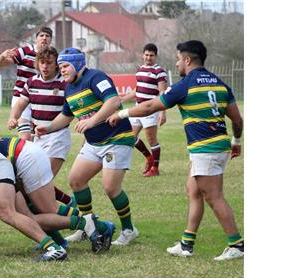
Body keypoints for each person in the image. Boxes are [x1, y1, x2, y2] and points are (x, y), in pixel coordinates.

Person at [107, 40, 244, 260]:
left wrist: (122, 114)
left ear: (188, 60)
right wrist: (236, 141)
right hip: (218, 145)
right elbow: (237, 119)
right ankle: (186, 244)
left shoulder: (186, 84)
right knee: (193, 190)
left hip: (205, 148)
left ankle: (236, 245)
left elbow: (151, 106)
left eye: (179, 59)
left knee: (214, 197)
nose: (177, 63)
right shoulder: (219, 83)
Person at [35, 48, 140, 246]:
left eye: (65, 66)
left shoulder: (95, 77)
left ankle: (129, 229)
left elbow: (113, 101)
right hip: (94, 143)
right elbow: (66, 116)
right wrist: (47, 128)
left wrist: (91, 121)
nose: (62, 70)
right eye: (60, 67)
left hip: (116, 139)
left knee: (110, 187)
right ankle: (87, 225)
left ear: (78, 65)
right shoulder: (69, 88)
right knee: (76, 180)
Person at [0, 136, 115, 252]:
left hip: (26, 157)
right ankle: (62, 240)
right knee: (32, 208)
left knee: (45, 211)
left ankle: (93, 225)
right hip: (24, 157)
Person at [7, 46, 74, 207]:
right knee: (34, 180)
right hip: (38, 138)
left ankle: (60, 210)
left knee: (42, 180)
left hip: (58, 137)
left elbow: (70, 115)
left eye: (49, 63)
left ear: (56, 65)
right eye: (42, 62)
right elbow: (21, 103)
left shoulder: (65, 84)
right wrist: (13, 117)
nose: (45, 66)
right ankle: (68, 202)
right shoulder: (31, 83)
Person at [119, 43, 168, 177]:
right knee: (131, 137)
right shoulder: (140, 69)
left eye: (151, 55)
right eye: (146, 55)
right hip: (137, 108)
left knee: (151, 139)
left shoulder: (159, 71)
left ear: (156, 56)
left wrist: (163, 112)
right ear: (143, 55)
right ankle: (149, 158)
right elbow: (137, 90)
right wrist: (122, 98)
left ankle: (155, 169)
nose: (148, 57)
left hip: (150, 109)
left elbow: (163, 94)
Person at [0, 26, 52, 140]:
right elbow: (0, 64)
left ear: (51, 39)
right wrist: (2, 56)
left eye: (47, 36)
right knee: (25, 136)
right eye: (41, 35)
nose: (44, 38)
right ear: (36, 39)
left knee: (38, 136)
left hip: (40, 99)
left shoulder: (52, 56)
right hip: (21, 97)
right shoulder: (25, 51)